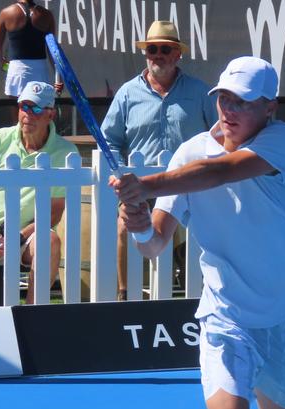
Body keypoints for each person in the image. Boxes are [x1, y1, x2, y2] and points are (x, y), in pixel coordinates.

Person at [110, 56, 285, 409]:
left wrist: (147, 185)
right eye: (224, 99)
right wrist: (138, 226)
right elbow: (155, 242)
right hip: (225, 319)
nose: (229, 110)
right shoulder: (189, 153)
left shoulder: (283, 140)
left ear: (270, 108)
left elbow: (220, 173)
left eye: (242, 102)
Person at [100, 20, 217, 300]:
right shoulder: (128, 93)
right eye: (152, 49)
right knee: (123, 226)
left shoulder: (200, 92)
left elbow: (218, 136)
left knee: (203, 232)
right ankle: (125, 295)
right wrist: (117, 171)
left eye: (165, 49)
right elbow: (109, 140)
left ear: (178, 54)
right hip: (142, 185)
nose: (158, 55)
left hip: (188, 185)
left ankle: (200, 294)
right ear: (146, 53)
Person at [0, 81, 78, 305]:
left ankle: (30, 317)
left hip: (29, 233)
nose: (27, 114)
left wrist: (18, 236)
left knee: (50, 241)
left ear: (50, 115)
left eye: (35, 109)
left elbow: (54, 213)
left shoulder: (66, 152)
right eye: (24, 106)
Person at [0, 0, 63, 97]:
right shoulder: (47, 15)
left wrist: (1, 62)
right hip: (40, 72)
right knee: (39, 111)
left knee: (18, 111)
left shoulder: (6, 13)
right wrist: (59, 78)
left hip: (17, 73)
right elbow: (53, 51)